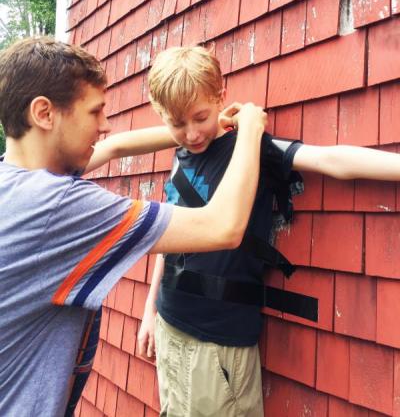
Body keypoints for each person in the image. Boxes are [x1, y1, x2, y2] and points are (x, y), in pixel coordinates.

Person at [0, 37, 268, 417]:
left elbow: (114, 148)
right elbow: (222, 226)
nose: (105, 126)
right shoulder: (57, 208)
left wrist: (199, 129)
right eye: (95, 112)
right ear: (44, 113)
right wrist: (251, 129)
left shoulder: (12, 179)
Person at [130, 45, 400, 417]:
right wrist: (150, 311)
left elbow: (331, 159)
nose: (191, 133)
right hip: (171, 326)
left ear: (220, 96)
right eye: (177, 124)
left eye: (200, 117)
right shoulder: (181, 154)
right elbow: (171, 236)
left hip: (217, 344)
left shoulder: (248, 148)